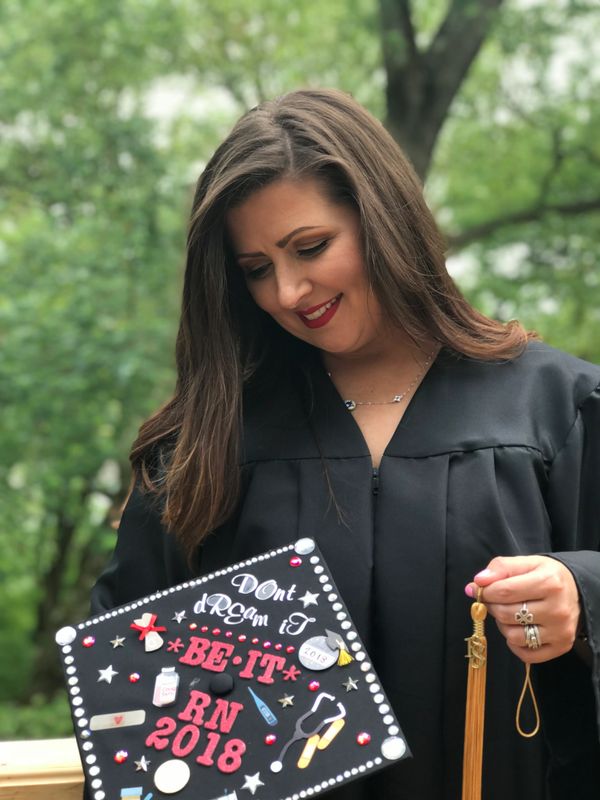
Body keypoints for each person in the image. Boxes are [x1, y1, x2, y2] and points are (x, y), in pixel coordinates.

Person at [91, 88, 600, 799]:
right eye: (256, 269)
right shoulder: (209, 439)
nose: (289, 291)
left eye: (311, 247)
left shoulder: (554, 408)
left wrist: (581, 595)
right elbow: (125, 689)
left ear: (383, 221)